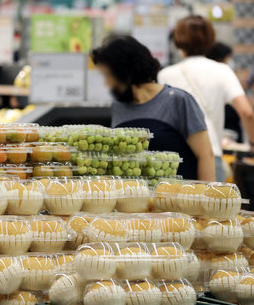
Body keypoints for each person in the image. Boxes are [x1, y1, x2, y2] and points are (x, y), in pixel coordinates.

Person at [92, 36, 215, 181]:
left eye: (108, 75)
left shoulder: (177, 100)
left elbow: (206, 155)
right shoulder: (119, 106)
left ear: (125, 72)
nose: (107, 83)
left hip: (177, 199)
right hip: (135, 201)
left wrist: (204, 197)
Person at [158, 15, 254, 181]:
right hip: (211, 154)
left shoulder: (165, 75)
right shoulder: (222, 71)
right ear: (210, 39)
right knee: (213, 204)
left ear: (178, 40)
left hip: (174, 160)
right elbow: (247, 112)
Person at [206, 42, 243, 143]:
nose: (230, 61)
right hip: (226, 132)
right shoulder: (224, 72)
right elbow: (245, 111)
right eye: (228, 57)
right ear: (221, 58)